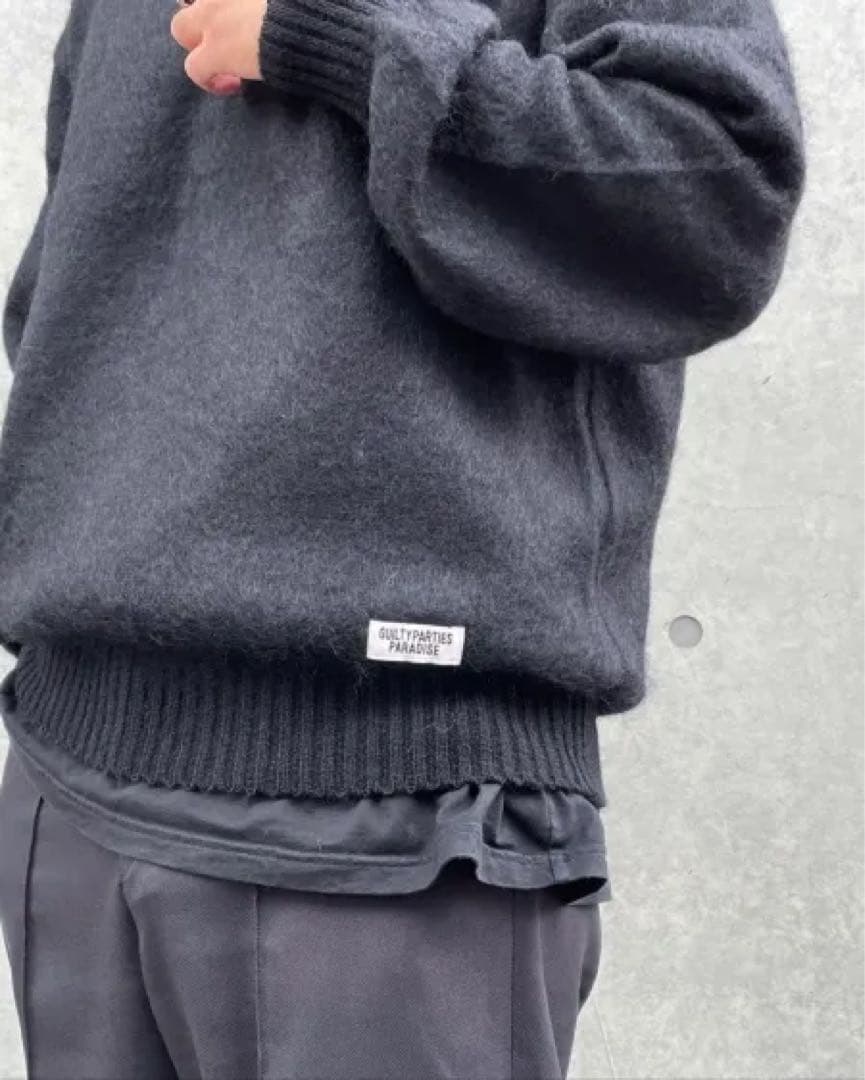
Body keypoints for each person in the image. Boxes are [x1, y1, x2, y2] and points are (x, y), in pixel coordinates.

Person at [0, 0, 805, 1076]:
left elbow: (715, 197)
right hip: (70, 768)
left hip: (390, 814)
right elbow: (80, 250)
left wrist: (342, 39)